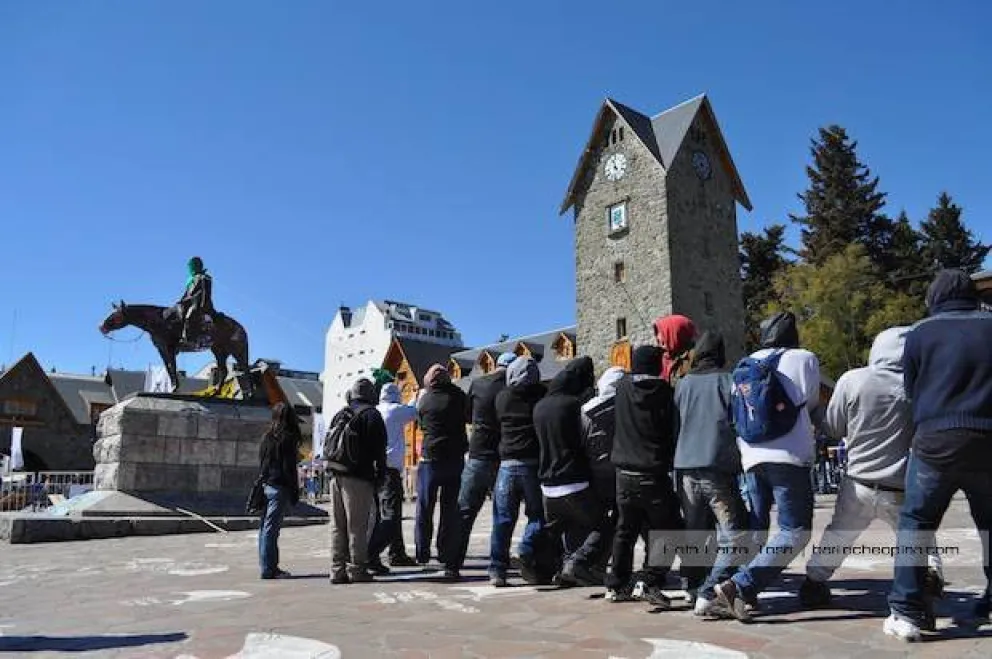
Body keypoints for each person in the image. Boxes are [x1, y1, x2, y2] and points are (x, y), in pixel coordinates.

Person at [799, 327, 943, 614]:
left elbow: (833, 427)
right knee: (920, 537)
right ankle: (928, 578)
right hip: (900, 484)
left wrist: (814, 412)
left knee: (838, 536)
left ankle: (814, 582)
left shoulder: (854, 380)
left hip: (858, 482)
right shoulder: (917, 386)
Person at [886, 270, 992, 641]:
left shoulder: (920, 333)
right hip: (988, 437)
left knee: (916, 521)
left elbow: (911, 390)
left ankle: (907, 610)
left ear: (934, 297)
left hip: (936, 440)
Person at [715, 311, 820, 621]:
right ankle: (740, 586)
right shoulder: (804, 358)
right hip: (789, 455)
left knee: (758, 526)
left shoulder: (743, 365)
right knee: (795, 531)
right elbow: (810, 403)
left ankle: (743, 592)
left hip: (751, 455)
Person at [672, 331, 750, 616]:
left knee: (695, 532)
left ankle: (691, 585)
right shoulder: (728, 381)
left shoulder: (682, 385)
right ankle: (712, 589)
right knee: (734, 534)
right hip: (717, 466)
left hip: (684, 468)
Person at [607, 345, 683, 606]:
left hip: (623, 473)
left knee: (625, 530)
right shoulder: (665, 393)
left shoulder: (621, 389)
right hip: (653, 472)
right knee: (668, 529)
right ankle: (650, 580)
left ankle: (616, 584)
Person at [533, 357, 605, 587]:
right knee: (603, 526)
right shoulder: (575, 406)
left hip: (547, 484)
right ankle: (578, 564)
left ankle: (541, 560)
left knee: (560, 528)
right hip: (574, 479)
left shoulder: (540, 406)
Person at [490, 356, 547, 586]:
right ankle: (525, 547)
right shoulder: (540, 395)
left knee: (502, 519)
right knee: (537, 514)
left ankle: (497, 570)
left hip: (506, 464)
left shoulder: (502, 397)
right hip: (532, 463)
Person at [457, 352, 515, 569]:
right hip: (503, 456)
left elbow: (468, 415)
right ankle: (498, 565)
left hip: (478, 453)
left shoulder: (478, 383)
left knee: (465, 511)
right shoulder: (512, 389)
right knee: (502, 513)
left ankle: (453, 563)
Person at [327, 378, 388, 584]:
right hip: (358, 477)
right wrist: (380, 477)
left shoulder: (341, 414)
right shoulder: (372, 415)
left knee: (338, 525)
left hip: (335, 475)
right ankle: (357, 569)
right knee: (357, 526)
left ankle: (337, 569)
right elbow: (379, 451)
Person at [414, 364, 468, 580]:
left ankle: (422, 551)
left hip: (430, 458)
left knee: (424, 507)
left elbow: (420, 425)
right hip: (454, 458)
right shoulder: (459, 397)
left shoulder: (424, 400)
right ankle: (445, 551)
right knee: (449, 509)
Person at [367, 383, 419, 573]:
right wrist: (415, 395)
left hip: (373, 469)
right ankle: (373, 553)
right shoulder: (396, 410)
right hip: (390, 469)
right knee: (392, 514)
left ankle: (396, 551)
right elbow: (414, 411)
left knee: (380, 514)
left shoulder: (376, 410)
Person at [580, 366, 626, 572]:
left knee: (602, 522)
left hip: (593, 471)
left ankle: (594, 563)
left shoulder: (586, 410)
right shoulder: (625, 408)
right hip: (619, 471)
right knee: (623, 521)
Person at [257, 402, 302, 580]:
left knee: (265, 528)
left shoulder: (267, 437)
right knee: (271, 529)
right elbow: (289, 468)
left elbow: (262, 463)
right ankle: (269, 568)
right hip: (280, 486)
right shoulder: (288, 438)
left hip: (267, 484)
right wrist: (294, 490)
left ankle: (266, 565)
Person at [177, 256, 214, 343]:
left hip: (201, 303)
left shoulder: (204, 277)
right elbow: (186, 294)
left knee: (190, 314)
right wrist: (180, 301)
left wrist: (202, 305)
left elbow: (205, 292)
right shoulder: (190, 280)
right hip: (190, 303)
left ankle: (190, 338)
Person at [653, 314, 697, 386]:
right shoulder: (663, 357)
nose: (658, 338)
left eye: (661, 333)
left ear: (675, 333)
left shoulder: (693, 360)